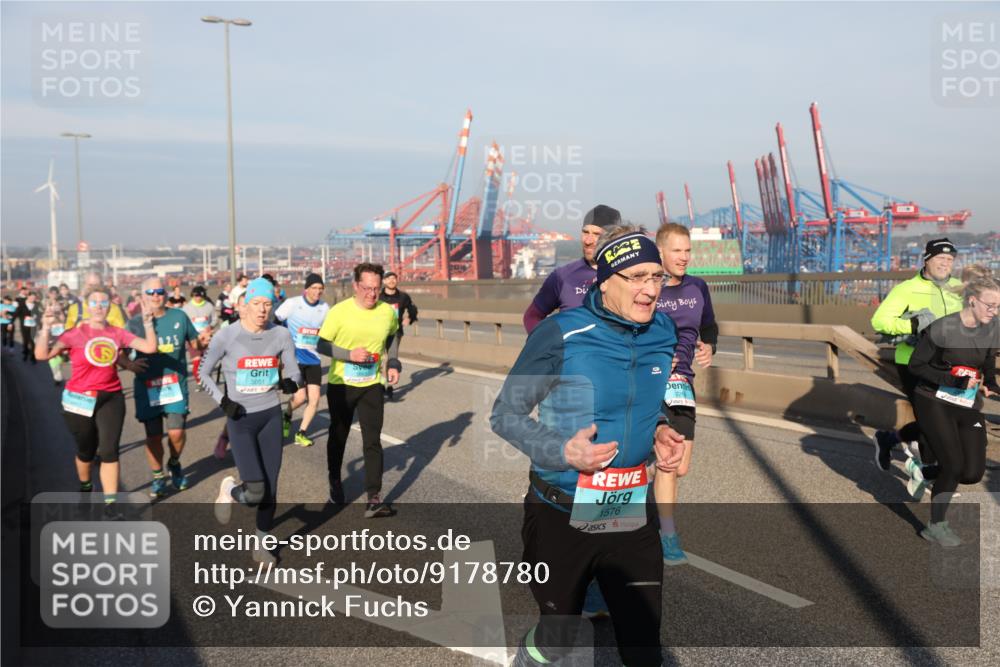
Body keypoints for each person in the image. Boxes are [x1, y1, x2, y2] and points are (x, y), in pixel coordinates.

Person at [491, 225, 686, 667]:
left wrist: (658, 430)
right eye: (636, 277)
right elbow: (505, 414)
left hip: (630, 511)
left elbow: (646, 402)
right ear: (606, 279)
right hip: (563, 511)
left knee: (643, 645)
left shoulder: (663, 332)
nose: (650, 289)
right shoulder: (563, 331)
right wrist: (565, 451)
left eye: (656, 277)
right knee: (559, 640)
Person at [201, 278, 301, 563]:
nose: (262, 310)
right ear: (243, 306)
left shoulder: (281, 335)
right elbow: (203, 373)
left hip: (270, 414)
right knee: (255, 491)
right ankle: (230, 490)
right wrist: (223, 401)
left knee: (270, 487)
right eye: (256, 304)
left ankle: (262, 544)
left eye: (267, 304)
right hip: (241, 419)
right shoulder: (227, 336)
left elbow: (294, 372)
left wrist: (291, 383)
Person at [34, 286, 157, 510]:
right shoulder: (74, 334)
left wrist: (148, 322)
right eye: (94, 302)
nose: (99, 307)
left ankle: (111, 504)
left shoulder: (117, 333)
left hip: (111, 397)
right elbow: (42, 355)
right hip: (79, 400)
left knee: (109, 450)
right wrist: (45, 327)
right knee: (86, 451)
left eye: (103, 302)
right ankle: (86, 486)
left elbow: (149, 347)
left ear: (109, 306)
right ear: (86, 306)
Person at [904, 274, 999, 546]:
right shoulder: (944, 328)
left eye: (999, 307)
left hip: (965, 401)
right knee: (953, 465)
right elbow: (916, 367)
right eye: (990, 306)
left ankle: (923, 472)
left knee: (972, 473)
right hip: (933, 399)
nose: (995, 312)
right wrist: (953, 380)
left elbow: (989, 359)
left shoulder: (993, 327)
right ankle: (936, 526)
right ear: (972, 301)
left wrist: (990, 382)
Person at [652, 222, 718, 564]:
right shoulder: (648, 287)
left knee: (680, 468)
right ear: (660, 251)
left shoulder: (698, 287)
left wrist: (709, 347)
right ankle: (666, 534)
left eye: (688, 250)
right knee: (668, 461)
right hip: (651, 382)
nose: (684, 257)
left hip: (683, 386)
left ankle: (652, 518)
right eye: (677, 251)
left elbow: (708, 325)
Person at [870, 238, 962, 470]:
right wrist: (912, 326)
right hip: (914, 363)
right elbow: (879, 321)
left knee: (950, 421)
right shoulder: (906, 289)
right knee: (933, 423)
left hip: (951, 364)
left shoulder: (960, 288)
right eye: (940, 258)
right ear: (927, 259)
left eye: (950, 259)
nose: (945, 263)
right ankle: (932, 474)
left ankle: (888, 439)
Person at [318, 263, 400, 517]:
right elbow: (321, 344)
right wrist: (349, 355)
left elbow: (394, 335)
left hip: (372, 384)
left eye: (376, 289)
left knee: (372, 441)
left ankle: (373, 498)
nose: (372, 295)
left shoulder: (387, 312)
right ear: (355, 286)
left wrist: (394, 362)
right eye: (366, 288)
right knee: (338, 435)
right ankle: (335, 480)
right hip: (341, 384)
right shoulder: (339, 312)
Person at [123, 277, 211, 498]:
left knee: (177, 432)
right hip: (147, 386)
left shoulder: (179, 316)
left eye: (159, 291)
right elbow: (119, 352)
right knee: (153, 436)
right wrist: (131, 365)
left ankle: (174, 463)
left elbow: (195, 344)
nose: (156, 296)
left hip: (174, 385)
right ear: (143, 296)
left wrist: (203, 341)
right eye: (151, 292)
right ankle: (157, 476)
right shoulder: (135, 323)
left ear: (166, 294)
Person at [522, 204, 623, 333]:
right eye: (585, 232)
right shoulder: (563, 276)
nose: (588, 241)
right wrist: (546, 344)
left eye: (597, 234)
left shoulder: (630, 275)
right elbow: (531, 316)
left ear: (613, 237)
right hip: (571, 352)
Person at [274, 273, 330, 447]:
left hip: (313, 358)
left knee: (314, 399)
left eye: (320, 288)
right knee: (299, 398)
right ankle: (287, 414)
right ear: (306, 289)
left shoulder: (325, 307)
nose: (317, 291)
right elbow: (275, 321)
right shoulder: (292, 303)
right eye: (314, 288)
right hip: (294, 357)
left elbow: (327, 330)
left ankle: (301, 432)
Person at [379, 271, 418, 400]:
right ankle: (381, 384)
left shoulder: (403, 297)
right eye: (388, 279)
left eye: (394, 279)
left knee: (391, 357)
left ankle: (389, 386)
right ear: (384, 281)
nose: (391, 281)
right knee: (381, 359)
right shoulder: (378, 297)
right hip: (379, 332)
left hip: (396, 332)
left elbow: (412, 308)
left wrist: (410, 319)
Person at [182, 285, 218, 388]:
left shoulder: (209, 306)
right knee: (196, 360)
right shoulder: (187, 308)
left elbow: (214, 319)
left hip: (206, 338)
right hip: (193, 339)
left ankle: (207, 377)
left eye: (199, 296)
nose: (197, 298)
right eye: (195, 296)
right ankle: (199, 381)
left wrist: (210, 326)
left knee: (207, 360)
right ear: (192, 296)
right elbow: (184, 322)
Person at [15, 290, 41, 364]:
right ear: (28, 296)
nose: (33, 298)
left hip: (33, 326)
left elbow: (39, 315)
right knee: (25, 341)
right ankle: (26, 354)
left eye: (34, 297)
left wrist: (37, 319)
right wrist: (11, 322)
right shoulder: (22, 304)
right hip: (24, 326)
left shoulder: (36, 305)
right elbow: (16, 313)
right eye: (31, 297)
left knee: (32, 341)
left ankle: (33, 357)